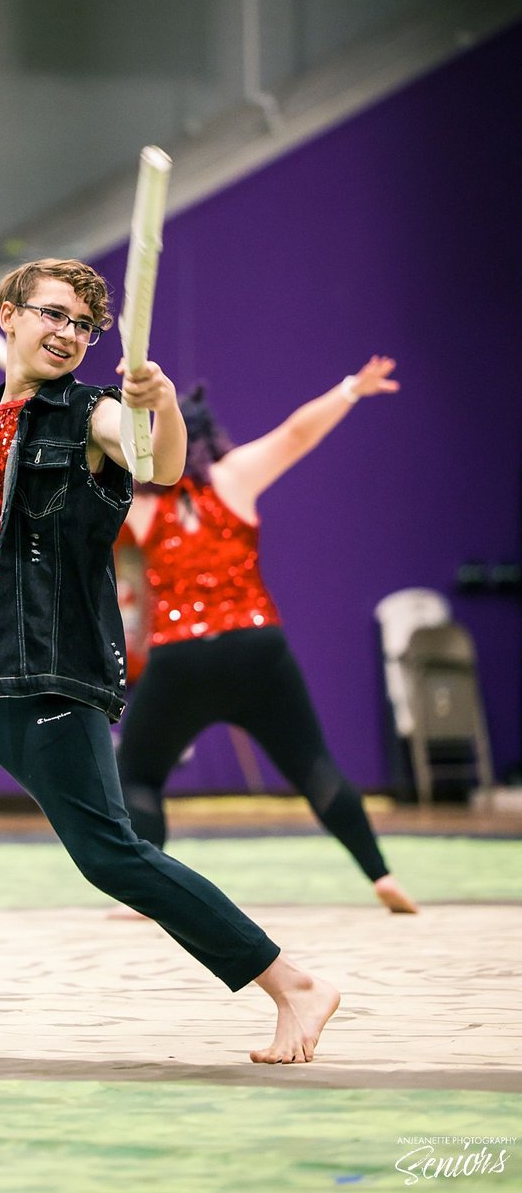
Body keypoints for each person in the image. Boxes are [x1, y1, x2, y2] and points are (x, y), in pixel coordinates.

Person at [0, 258, 340, 1065]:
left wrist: (162, 409)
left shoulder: (93, 417)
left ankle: (293, 985)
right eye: (52, 315)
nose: (69, 335)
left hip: (47, 684)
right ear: (7, 315)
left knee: (110, 854)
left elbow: (158, 462)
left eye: (83, 325)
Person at [115, 360, 417, 914]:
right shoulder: (235, 477)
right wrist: (349, 387)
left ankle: (143, 894)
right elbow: (297, 432)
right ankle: (380, 875)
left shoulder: (139, 506)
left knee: (136, 774)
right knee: (313, 765)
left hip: (180, 657)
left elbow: (87, 480)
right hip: (256, 648)